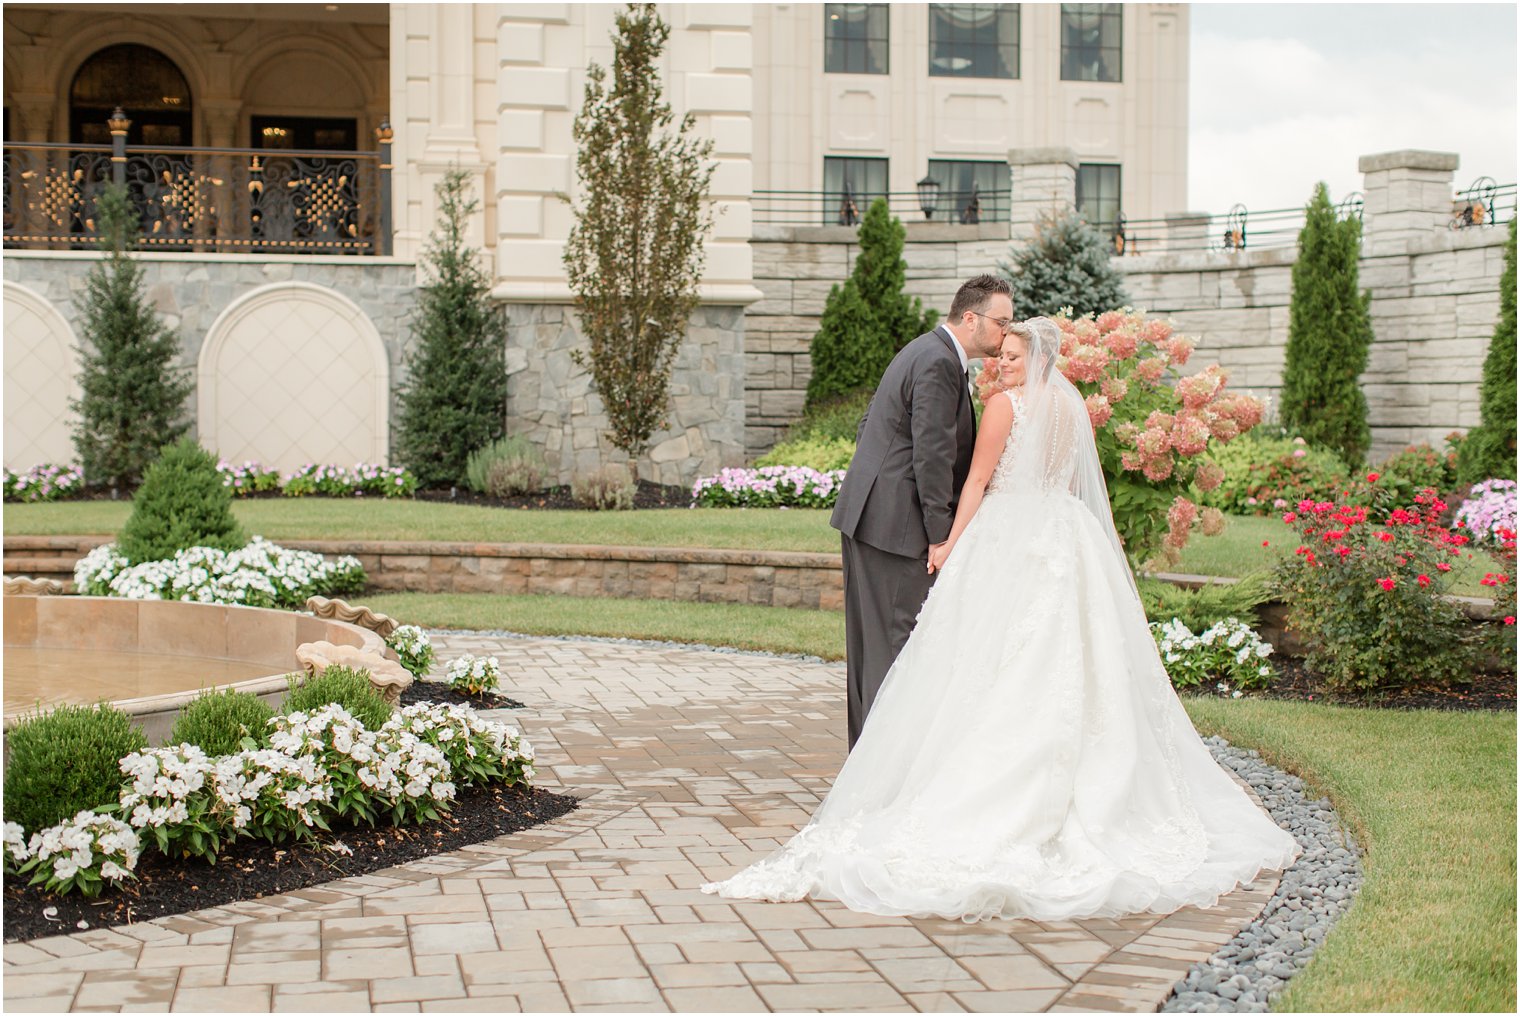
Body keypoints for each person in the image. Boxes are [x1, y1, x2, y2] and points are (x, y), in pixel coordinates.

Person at [703, 317, 1301, 922]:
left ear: (1036, 360)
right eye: (1002, 355)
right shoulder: (1071, 410)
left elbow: (980, 480)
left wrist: (948, 543)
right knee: (1056, 657)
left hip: (1010, 535)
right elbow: (1068, 482)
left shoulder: (1004, 406)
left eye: (1012, 356)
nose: (1002, 365)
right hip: (1064, 534)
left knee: (995, 657)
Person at [829, 273, 1011, 749]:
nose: (1005, 334)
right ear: (970, 318)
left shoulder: (922, 351)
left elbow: (872, 424)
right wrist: (939, 534)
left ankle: (866, 763)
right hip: (896, 527)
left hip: (873, 517)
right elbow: (931, 454)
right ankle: (880, 769)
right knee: (894, 648)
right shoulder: (937, 361)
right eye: (1001, 322)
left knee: (873, 649)